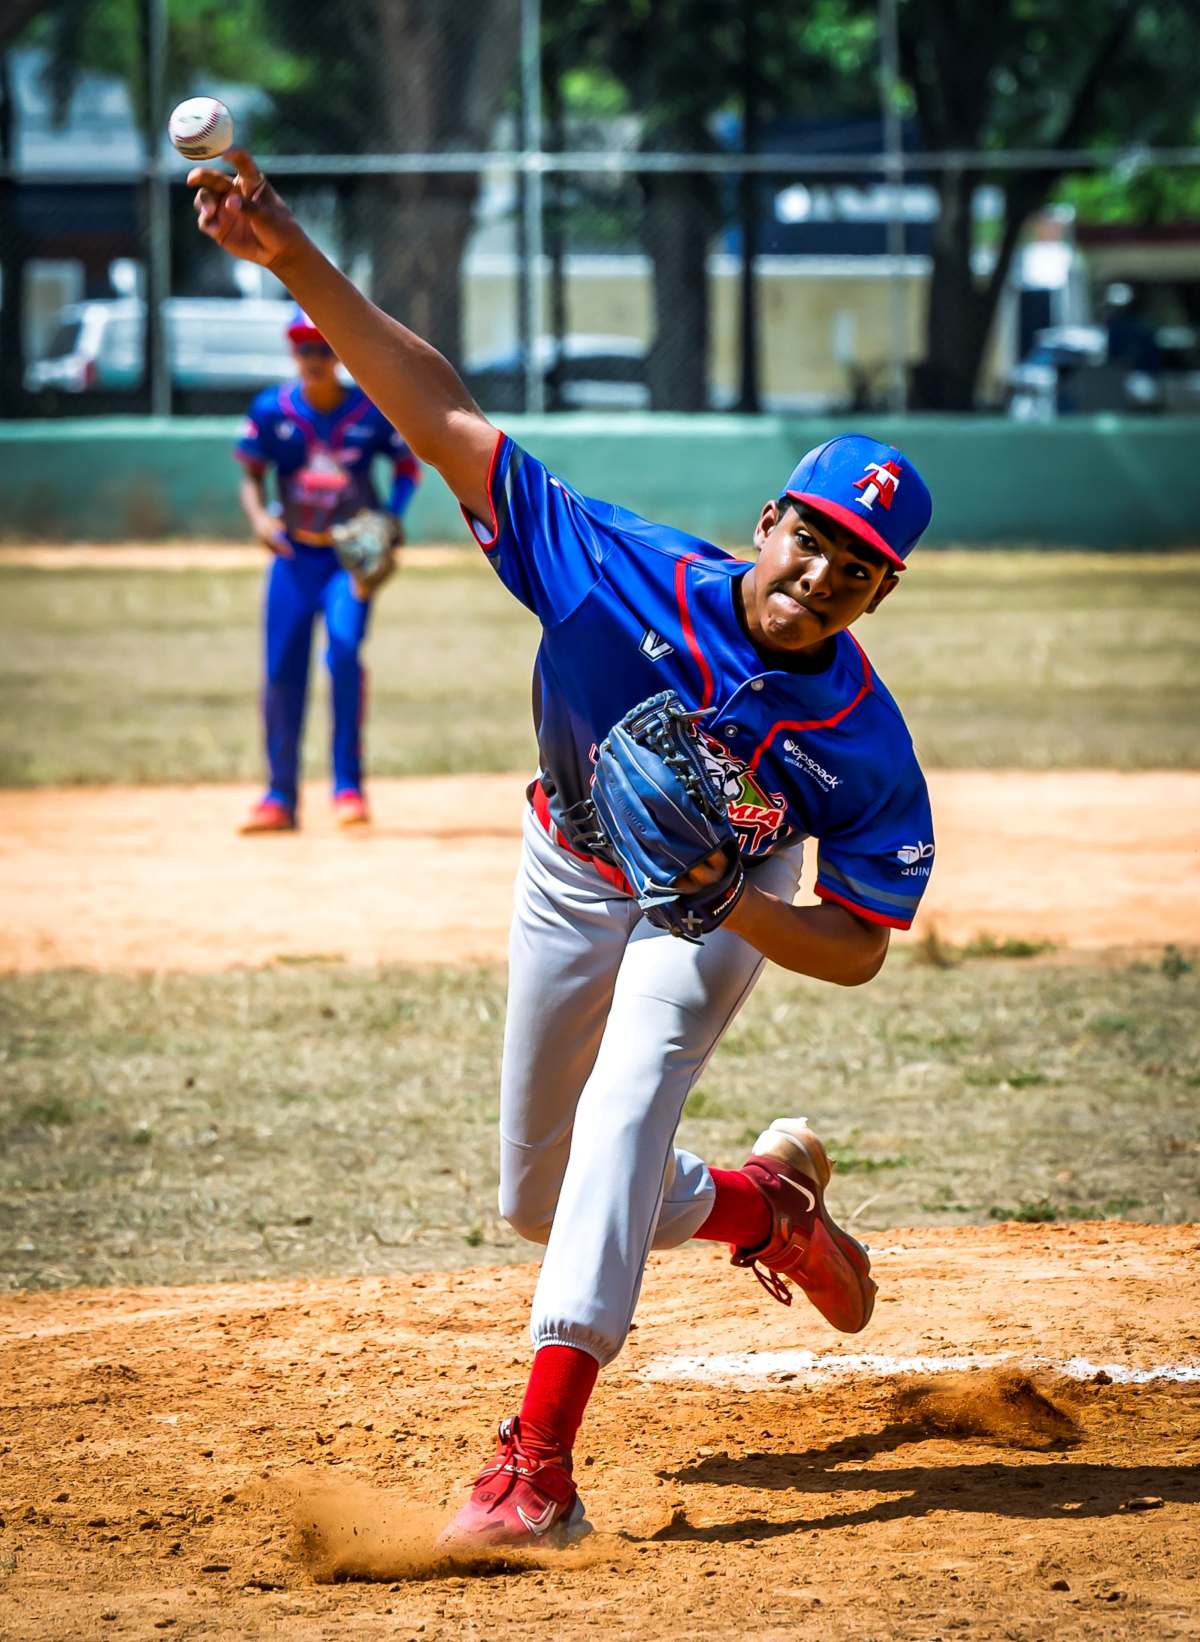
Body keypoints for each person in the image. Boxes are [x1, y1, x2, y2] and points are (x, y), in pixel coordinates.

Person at [191, 150, 936, 1548]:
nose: (824, 572)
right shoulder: (613, 565)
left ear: (880, 592)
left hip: (719, 910)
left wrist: (735, 903)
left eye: (859, 566)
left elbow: (858, 949)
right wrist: (289, 253)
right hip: (565, 866)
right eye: (816, 535)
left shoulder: (865, 743)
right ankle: (763, 1207)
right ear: (768, 520)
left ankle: (536, 1467)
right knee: (541, 1194)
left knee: (619, 1116)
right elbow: (442, 413)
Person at [235, 306, 421, 833]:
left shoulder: (368, 411)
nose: (313, 358)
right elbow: (252, 472)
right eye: (304, 347)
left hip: (349, 564)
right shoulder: (273, 409)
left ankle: (347, 788)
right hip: (294, 557)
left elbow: (408, 467)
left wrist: (391, 518)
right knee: (280, 671)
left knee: (342, 653)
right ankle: (279, 796)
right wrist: (257, 518)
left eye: (323, 347)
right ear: (293, 352)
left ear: (338, 353)